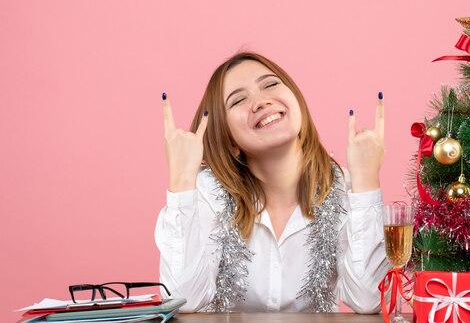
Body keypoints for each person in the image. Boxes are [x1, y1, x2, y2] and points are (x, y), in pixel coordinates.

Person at [155, 52, 389, 313]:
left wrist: (367, 181)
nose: (260, 101)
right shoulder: (209, 192)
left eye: (270, 84)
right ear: (229, 139)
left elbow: (369, 300)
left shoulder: (343, 189)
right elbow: (183, 299)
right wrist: (181, 180)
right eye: (239, 100)